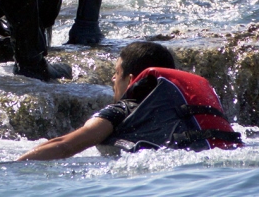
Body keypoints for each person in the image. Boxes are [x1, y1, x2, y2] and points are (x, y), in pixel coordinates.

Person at [18, 41, 242, 161]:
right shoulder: (188, 110)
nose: (113, 79)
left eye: (117, 73)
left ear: (132, 80)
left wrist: (14, 167)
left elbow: (65, 146)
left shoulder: (123, 109)